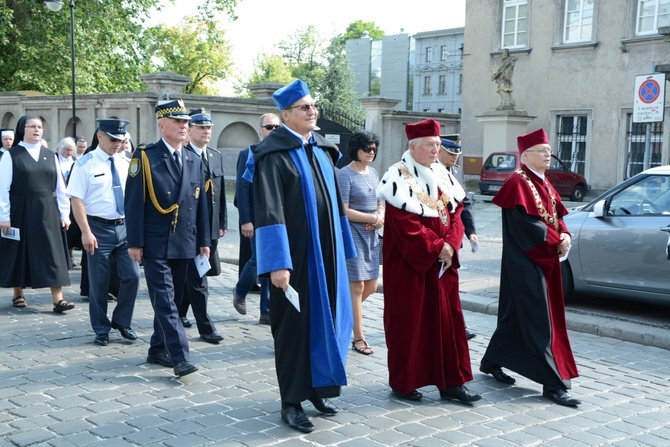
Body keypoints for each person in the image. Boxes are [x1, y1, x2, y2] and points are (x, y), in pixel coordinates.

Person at [251, 79, 356, 433]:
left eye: (314, 106)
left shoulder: (324, 151)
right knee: (294, 329)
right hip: (295, 260)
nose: (313, 112)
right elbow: (269, 211)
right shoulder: (272, 155)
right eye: (304, 108)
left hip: (327, 257)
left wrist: (346, 249)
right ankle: (291, 401)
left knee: (326, 322)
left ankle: (318, 389)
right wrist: (277, 263)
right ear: (286, 115)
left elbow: (335, 208)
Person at [377, 119, 480, 403]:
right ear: (413, 146)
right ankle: (404, 382)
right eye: (430, 145)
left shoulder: (443, 174)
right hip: (411, 268)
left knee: (449, 324)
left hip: (443, 266)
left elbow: (457, 212)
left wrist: (451, 244)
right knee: (411, 325)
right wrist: (438, 248)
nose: (436, 150)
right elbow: (405, 225)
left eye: (437, 145)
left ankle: (452, 383)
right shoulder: (396, 176)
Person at [480, 128, 580, 407]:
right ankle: (553, 384)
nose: (549, 155)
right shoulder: (517, 183)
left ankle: (491, 361)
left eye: (549, 150)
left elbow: (556, 216)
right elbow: (526, 226)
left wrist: (565, 235)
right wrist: (554, 240)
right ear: (526, 156)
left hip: (544, 257)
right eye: (543, 151)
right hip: (524, 261)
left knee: (515, 315)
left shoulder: (544, 181)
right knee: (539, 321)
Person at [125, 99, 211, 378]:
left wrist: (204, 241)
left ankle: (157, 348)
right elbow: (134, 203)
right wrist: (134, 242)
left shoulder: (193, 159)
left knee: (173, 297)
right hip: (155, 241)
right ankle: (180, 357)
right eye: (178, 121)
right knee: (165, 301)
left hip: (185, 241)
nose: (184, 126)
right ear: (162, 125)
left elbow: (201, 206)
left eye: (186, 122)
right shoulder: (146, 157)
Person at [67, 119, 140, 346]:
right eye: (113, 139)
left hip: (124, 227)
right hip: (98, 228)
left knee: (133, 277)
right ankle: (101, 328)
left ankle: (121, 321)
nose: (117, 144)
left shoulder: (126, 163)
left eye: (121, 140)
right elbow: (76, 200)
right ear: (100, 136)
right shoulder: (84, 164)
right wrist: (85, 232)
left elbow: (133, 198)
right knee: (99, 283)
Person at [0, 115, 75, 312]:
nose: (36, 130)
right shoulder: (12, 155)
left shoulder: (51, 155)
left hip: (47, 209)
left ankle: (58, 299)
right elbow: (2, 189)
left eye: (39, 127)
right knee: (19, 251)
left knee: (52, 253)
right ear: (22, 130)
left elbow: (61, 188)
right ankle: (18, 293)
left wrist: (64, 214)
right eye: (32, 126)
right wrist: (4, 216)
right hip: (20, 209)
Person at [179, 108, 227, 344]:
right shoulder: (184, 156)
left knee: (197, 274)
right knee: (198, 279)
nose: (207, 131)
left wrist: (223, 222)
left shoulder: (215, 155)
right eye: (202, 127)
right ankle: (205, 327)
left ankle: (177, 313)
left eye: (209, 128)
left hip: (212, 227)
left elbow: (220, 194)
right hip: (192, 229)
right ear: (190, 130)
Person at [336, 130, 382, 356]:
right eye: (367, 148)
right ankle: (358, 337)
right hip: (353, 233)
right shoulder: (345, 174)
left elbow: (380, 200)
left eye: (374, 149)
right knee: (357, 286)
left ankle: (341, 313)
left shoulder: (373, 172)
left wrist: (380, 217)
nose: (371, 152)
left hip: (373, 234)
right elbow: (343, 210)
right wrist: (371, 218)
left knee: (372, 285)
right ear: (356, 149)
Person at [232, 113, 279, 324]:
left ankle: (266, 311)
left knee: (271, 262)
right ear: (260, 129)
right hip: (256, 217)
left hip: (276, 217)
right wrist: (246, 219)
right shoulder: (249, 153)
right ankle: (240, 291)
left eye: (277, 127)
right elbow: (242, 188)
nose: (273, 130)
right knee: (259, 259)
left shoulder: (282, 152)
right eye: (269, 127)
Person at [436, 135, 478, 341]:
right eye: (451, 154)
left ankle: (455, 325)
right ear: (440, 150)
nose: (454, 158)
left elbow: (465, 204)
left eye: (457, 155)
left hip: (454, 236)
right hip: (436, 237)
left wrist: (472, 232)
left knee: (450, 283)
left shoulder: (457, 172)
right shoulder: (429, 170)